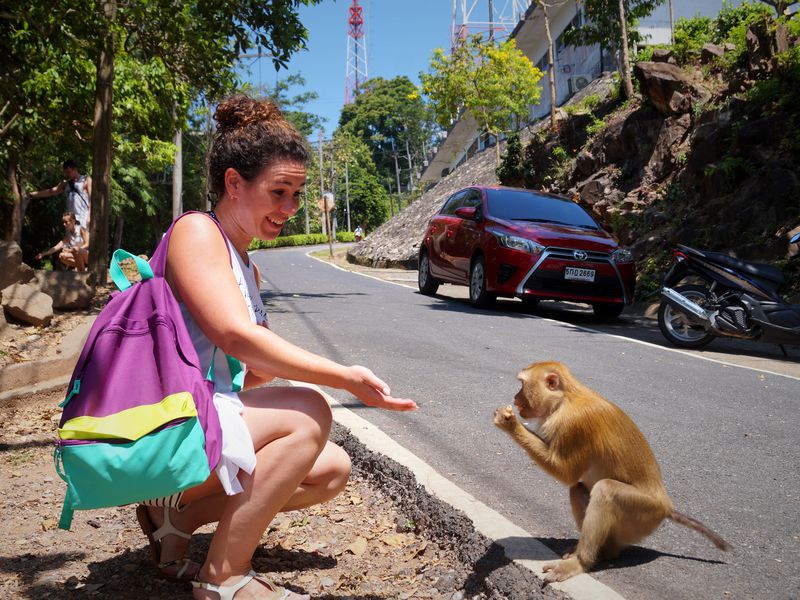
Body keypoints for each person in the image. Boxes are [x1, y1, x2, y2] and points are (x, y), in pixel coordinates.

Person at [134, 95, 417, 600]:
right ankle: (223, 576)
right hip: (161, 424)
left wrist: (257, 372)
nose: (290, 208)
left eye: (297, 194)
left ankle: (177, 518)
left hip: (201, 418)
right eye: (279, 192)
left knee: (331, 471)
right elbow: (238, 337)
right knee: (309, 410)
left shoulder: (245, 263)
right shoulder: (197, 232)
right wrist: (342, 376)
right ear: (234, 183)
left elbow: (243, 367)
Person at [29, 159, 92, 231]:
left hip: (83, 217)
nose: (67, 174)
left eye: (69, 172)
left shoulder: (86, 180)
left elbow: (92, 199)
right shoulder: (66, 184)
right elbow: (51, 192)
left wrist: (90, 216)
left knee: (84, 240)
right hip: (70, 219)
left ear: (75, 169)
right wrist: (33, 194)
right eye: (66, 172)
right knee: (71, 241)